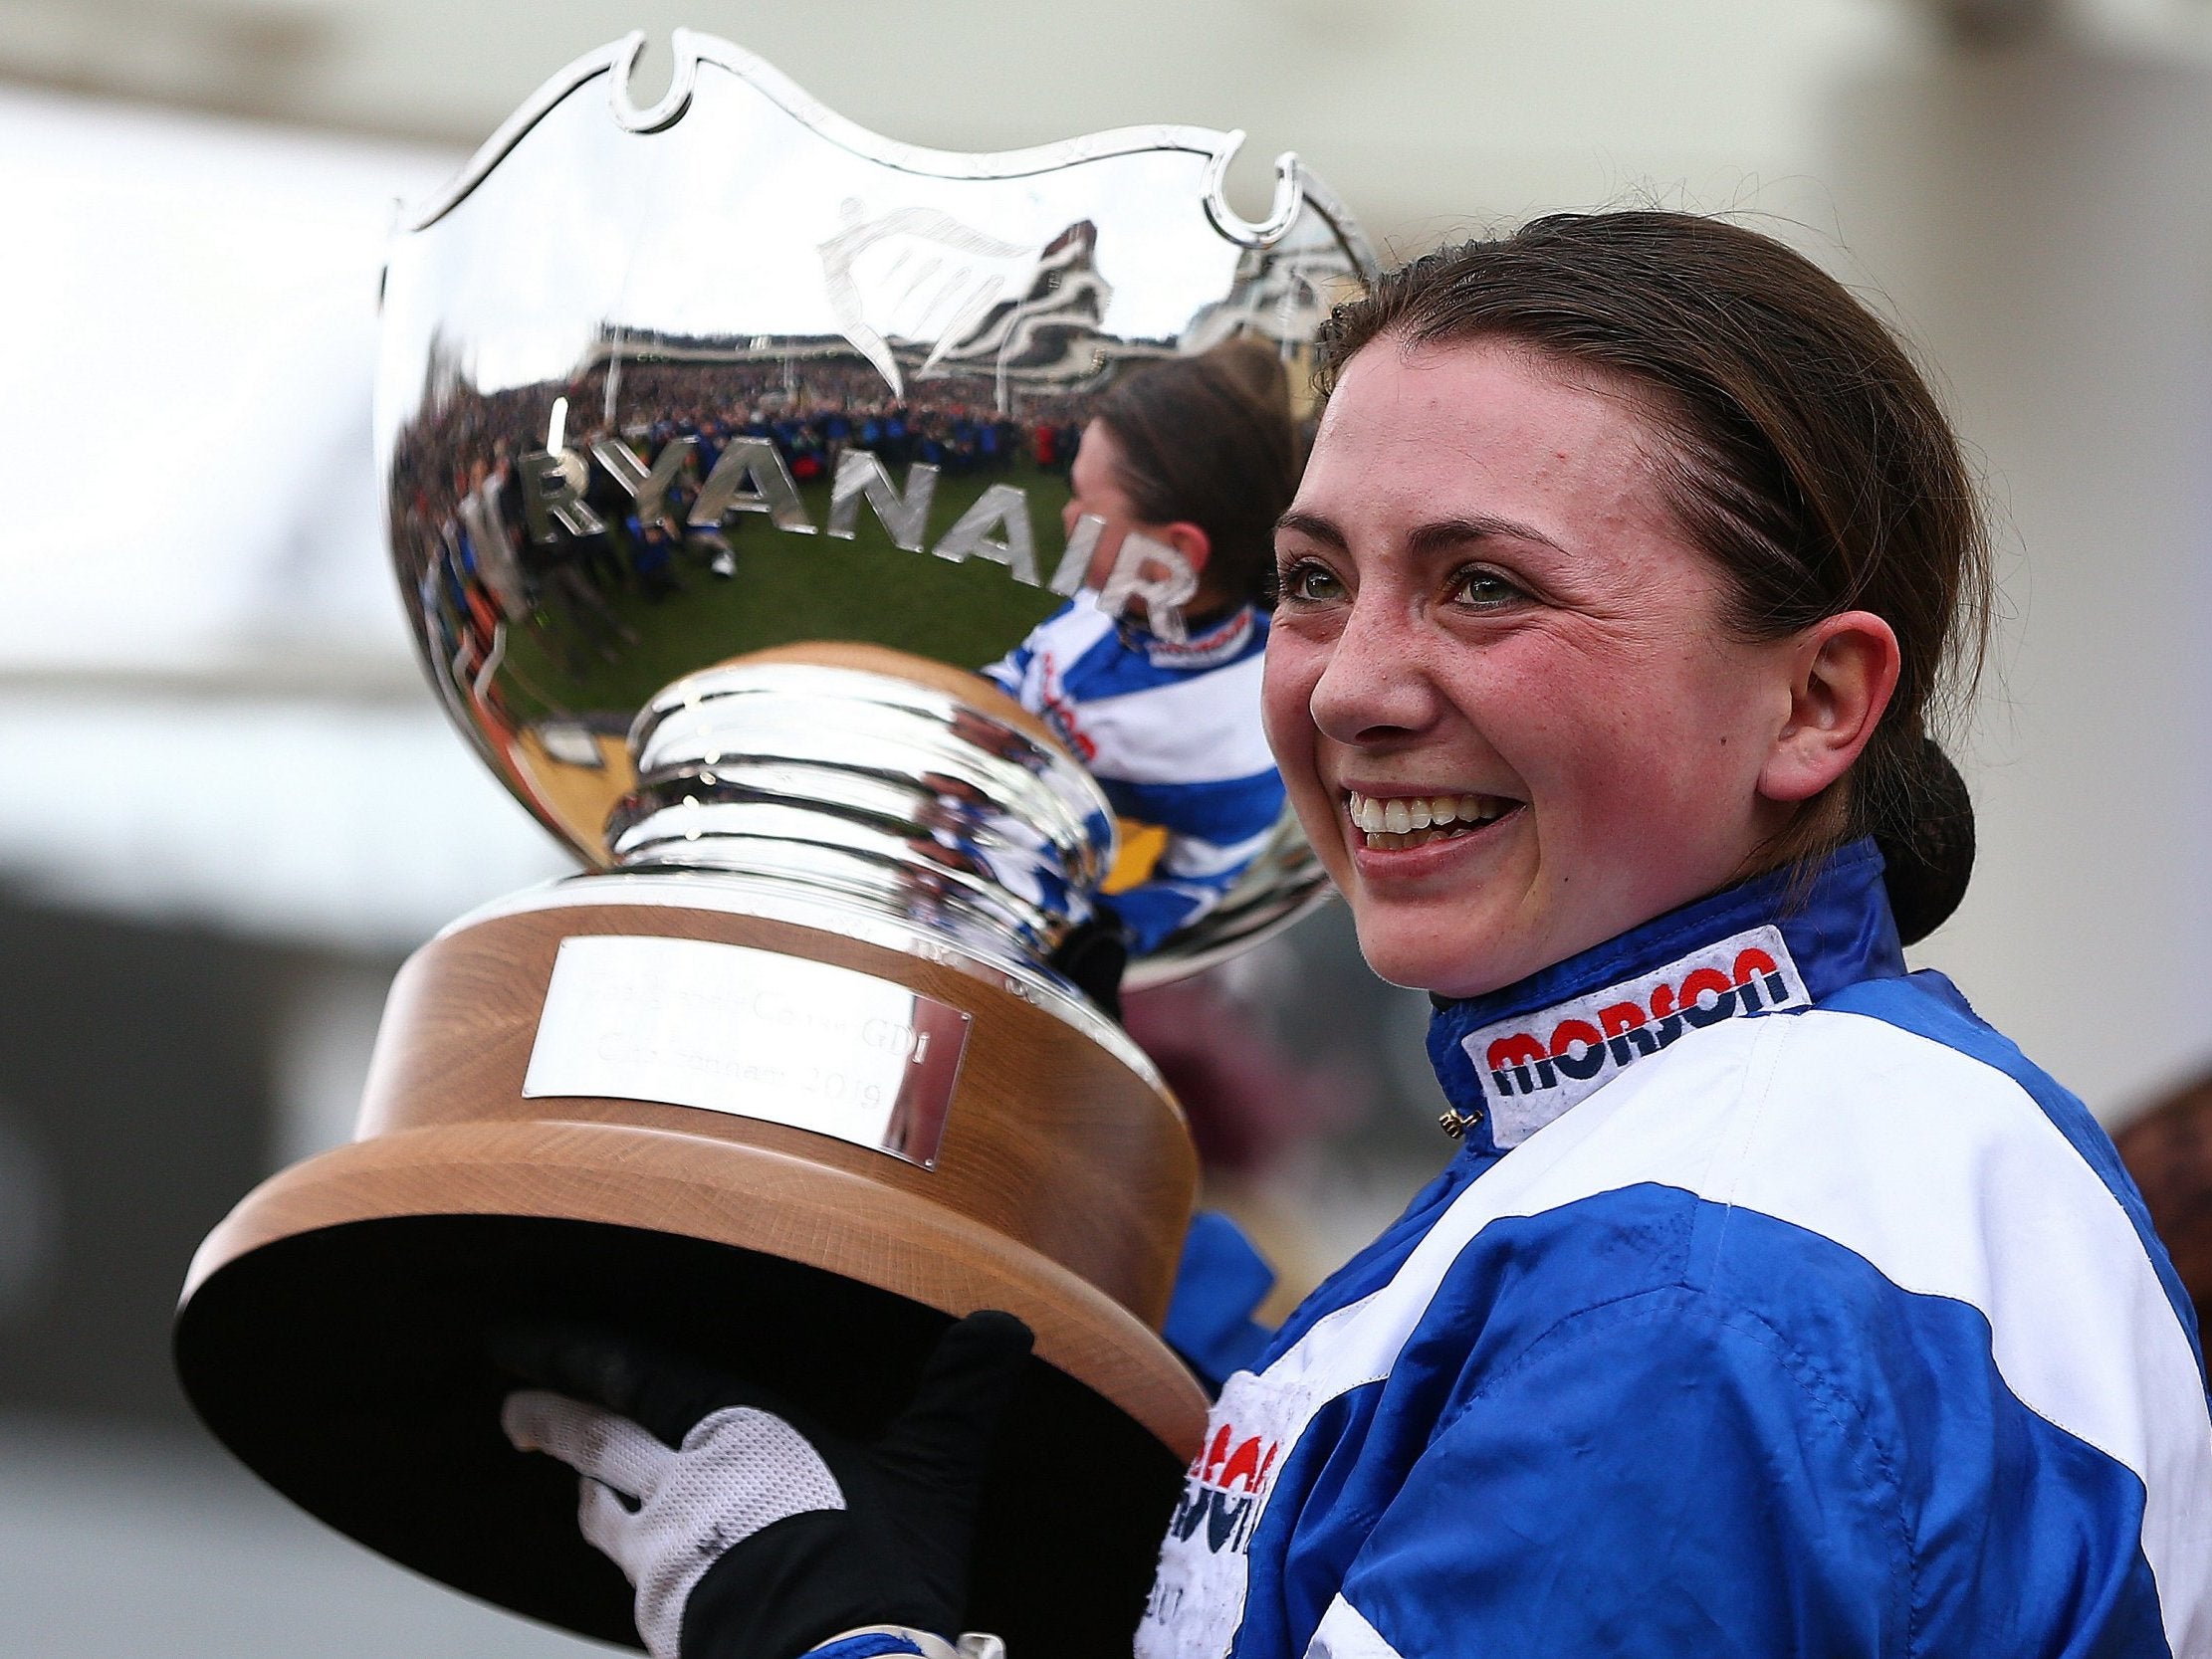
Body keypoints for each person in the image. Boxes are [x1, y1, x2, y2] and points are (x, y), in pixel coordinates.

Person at [495, 212, 2212, 1659]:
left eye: (1483, 586)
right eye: (1315, 580)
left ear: (1816, 699)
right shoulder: (1713, 1145)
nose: (1354, 687)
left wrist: (836, 1638)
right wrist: (1028, 1164)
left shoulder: (1719, 1262)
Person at [985, 337, 1300, 975]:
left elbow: (1200, 880)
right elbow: (1028, 667)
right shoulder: (1110, 597)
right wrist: (972, 705)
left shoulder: (1241, 742)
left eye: (1086, 504)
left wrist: (1094, 937)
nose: (1066, 517)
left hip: (997, 926)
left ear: (1171, 554)